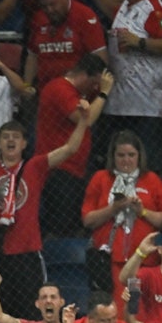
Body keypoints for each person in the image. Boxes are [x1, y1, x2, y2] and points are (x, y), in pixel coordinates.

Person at [0, 106, 92, 320]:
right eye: (5, 137)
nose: (10, 140)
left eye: (15, 137)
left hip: (28, 253)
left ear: (24, 143)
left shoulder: (36, 165)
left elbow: (70, 149)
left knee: (32, 315)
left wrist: (82, 121)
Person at [82, 130, 162, 300]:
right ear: (113, 156)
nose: (126, 160)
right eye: (121, 155)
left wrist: (143, 212)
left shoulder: (151, 179)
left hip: (145, 260)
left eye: (131, 155)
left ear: (139, 156)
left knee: (141, 310)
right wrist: (114, 208)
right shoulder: (100, 178)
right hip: (110, 260)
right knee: (118, 312)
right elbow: (88, 220)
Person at [99, 0, 162, 176]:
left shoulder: (156, 10)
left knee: (148, 167)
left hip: (149, 108)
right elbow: (105, 4)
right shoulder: (124, 7)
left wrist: (140, 42)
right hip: (120, 104)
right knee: (118, 167)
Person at [36, 55, 115, 236]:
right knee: (61, 227)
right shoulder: (60, 88)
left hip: (73, 169)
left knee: (73, 224)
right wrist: (104, 93)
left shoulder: (76, 93)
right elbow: (85, 120)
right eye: (95, 83)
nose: (96, 88)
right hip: (59, 170)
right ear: (84, 76)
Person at [25, 0, 108, 89]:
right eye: (44, 6)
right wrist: (27, 85)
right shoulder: (39, 18)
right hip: (45, 90)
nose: (49, 10)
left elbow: (100, 58)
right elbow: (32, 56)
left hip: (78, 91)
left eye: (53, 4)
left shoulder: (85, 16)